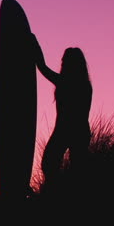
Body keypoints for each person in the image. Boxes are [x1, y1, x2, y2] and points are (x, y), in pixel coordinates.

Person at [31, 35, 92, 185]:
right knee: (77, 169)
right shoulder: (85, 84)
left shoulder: (68, 82)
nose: (63, 63)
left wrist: (34, 44)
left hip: (67, 130)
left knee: (50, 164)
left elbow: (42, 67)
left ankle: (56, 193)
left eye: (65, 61)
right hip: (80, 131)